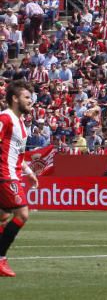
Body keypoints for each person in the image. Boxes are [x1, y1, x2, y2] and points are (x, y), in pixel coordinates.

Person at [0, 80, 38, 277]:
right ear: (14, 99)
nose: (30, 101)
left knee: (3, 217)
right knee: (22, 214)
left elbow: (18, 154)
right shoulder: (5, 118)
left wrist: (29, 172)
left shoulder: (20, 123)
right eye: (26, 97)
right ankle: (0, 259)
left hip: (12, 174)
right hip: (4, 176)